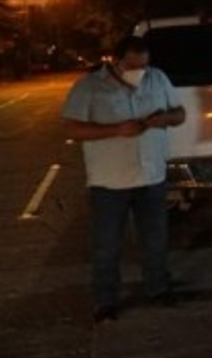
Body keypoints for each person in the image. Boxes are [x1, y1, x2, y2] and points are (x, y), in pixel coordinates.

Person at [62, 35, 186, 322]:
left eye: (144, 65)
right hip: (109, 181)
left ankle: (158, 288)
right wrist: (117, 130)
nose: (140, 72)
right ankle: (105, 300)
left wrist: (164, 119)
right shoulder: (90, 86)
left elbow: (180, 113)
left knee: (155, 238)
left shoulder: (157, 79)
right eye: (133, 66)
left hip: (151, 174)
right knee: (107, 244)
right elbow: (72, 128)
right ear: (116, 62)